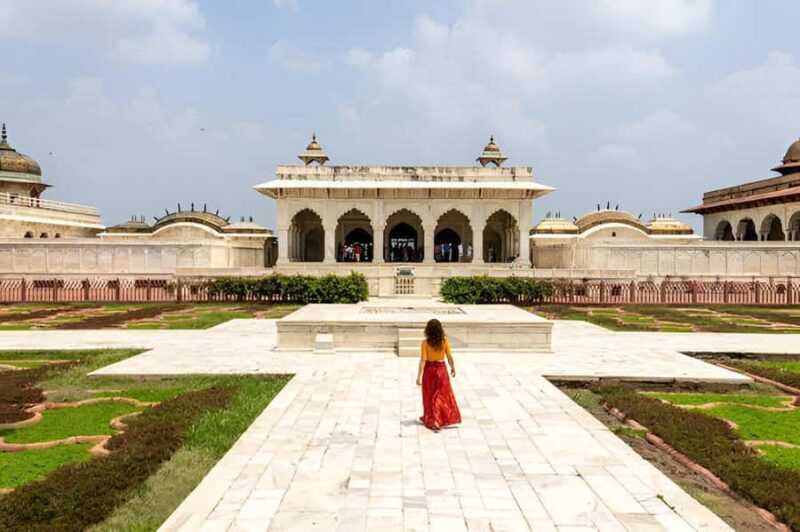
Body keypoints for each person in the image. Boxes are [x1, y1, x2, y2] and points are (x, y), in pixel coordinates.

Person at [416, 319, 461, 432]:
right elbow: (449, 357)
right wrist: (452, 367)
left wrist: (419, 376)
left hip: (429, 371)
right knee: (441, 395)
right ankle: (438, 418)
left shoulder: (425, 343)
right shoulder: (444, 342)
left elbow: (423, 360)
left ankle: (435, 419)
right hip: (441, 370)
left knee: (430, 395)